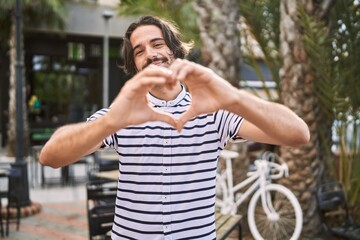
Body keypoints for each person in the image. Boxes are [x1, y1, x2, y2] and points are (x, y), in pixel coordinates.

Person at [39, 15, 310, 240]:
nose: (150, 54)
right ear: (134, 64)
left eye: (157, 44)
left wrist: (233, 97)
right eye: (139, 50)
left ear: (174, 49)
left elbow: (298, 134)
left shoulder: (214, 112)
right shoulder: (122, 113)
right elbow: (50, 157)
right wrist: (110, 121)